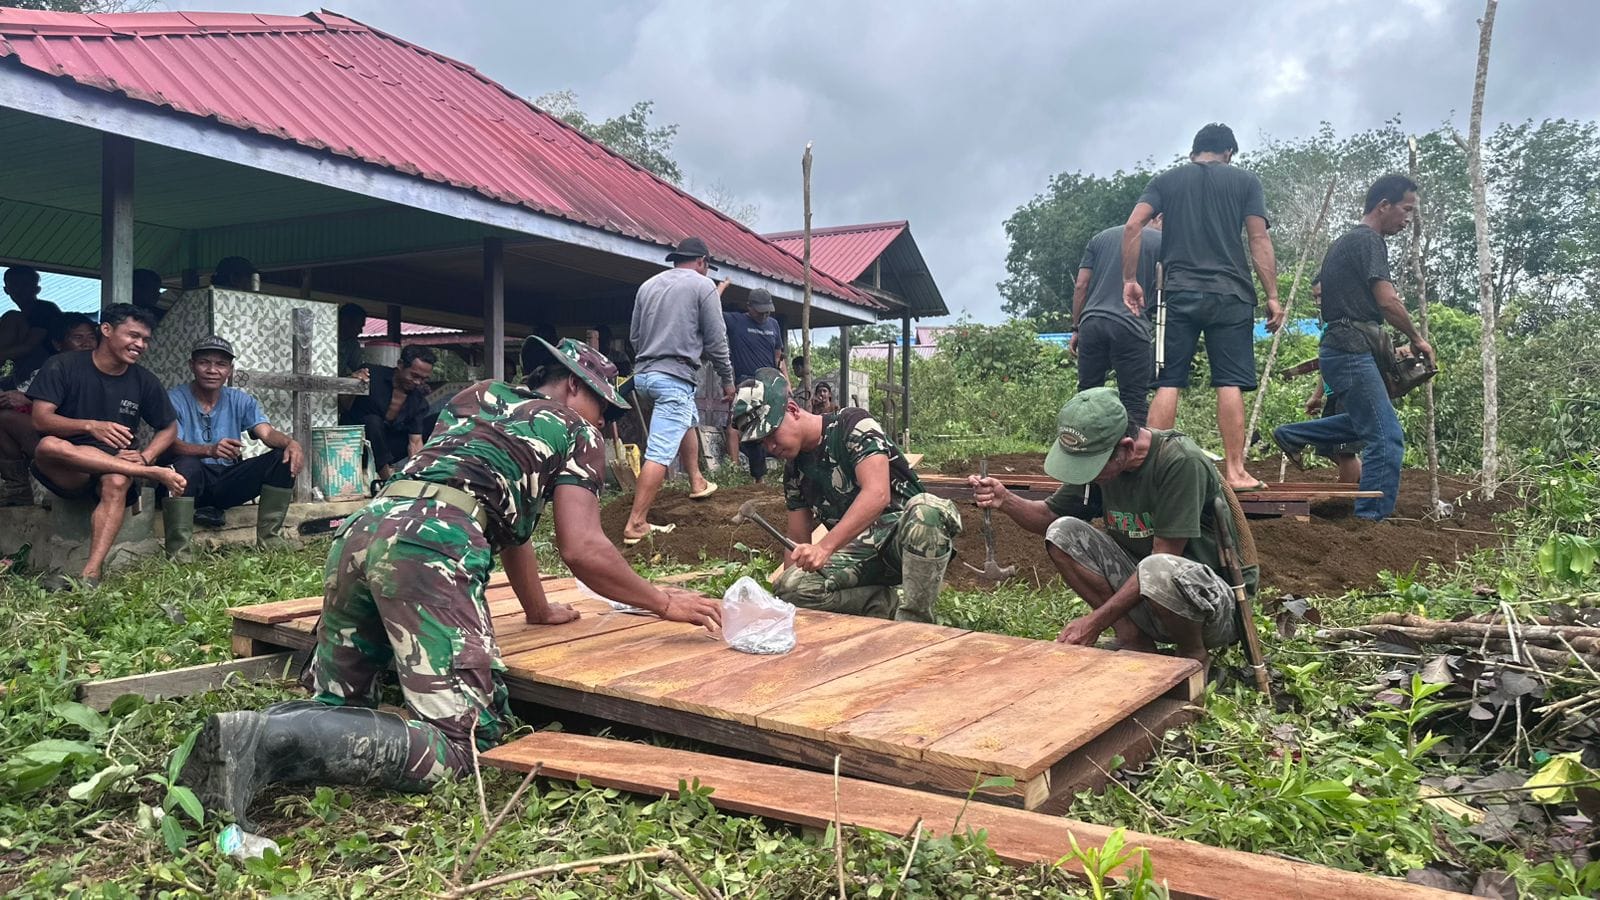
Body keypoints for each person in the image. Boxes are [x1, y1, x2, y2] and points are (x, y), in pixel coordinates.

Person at [179, 336, 723, 829]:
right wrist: (662, 602)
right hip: (431, 546)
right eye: (604, 408)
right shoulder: (577, 430)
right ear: (576, 387)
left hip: (364, 529)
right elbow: (583, 548)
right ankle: (267, 738)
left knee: (342, 701)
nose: (605, 422)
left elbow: (509, 526)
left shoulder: (478, 397)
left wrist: (537, 610)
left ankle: (244, 738)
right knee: (461, 744)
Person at [976, 388, 1253, 673]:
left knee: (1157, 566)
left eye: (1093, 466)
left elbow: (1162, 560)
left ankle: (1193, 657)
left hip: (1210, 607)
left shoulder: (1179, 461)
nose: (1088, 475)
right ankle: (1134, 640)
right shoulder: (1102, 467)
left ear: (1127, 448)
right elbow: (1048, 516)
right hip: (1149, 595)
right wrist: (1005, 500)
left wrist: (1094, 622)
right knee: (1062, 532)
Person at [1120, 123, 1284, 492]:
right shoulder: (1246, 182)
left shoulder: (1167, 180)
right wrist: (1272, 295)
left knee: (1168, 380)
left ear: (1194, 152)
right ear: (1228, 153)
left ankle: (1152, 469)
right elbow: (1258, 237)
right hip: (1231, 294)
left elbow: (1132, 227)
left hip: (1178, 293)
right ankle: (1236, 472)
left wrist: (1130, 279)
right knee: (1229, 381)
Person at [731, 367, 961, 623]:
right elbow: (796, 538)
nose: (770, 447)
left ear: (793, 410)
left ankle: (916, 623)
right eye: (762, 442)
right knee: (791, 588)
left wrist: (824, 547)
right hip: (861, 555)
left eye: (771, 433)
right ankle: (883, 604)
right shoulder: (794, 472)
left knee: (926, 509)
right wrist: (786, 602)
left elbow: (877, 494)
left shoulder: (852, 424)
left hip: (907, 541)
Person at [1272, 176, 1433, 521]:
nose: (1408, 219)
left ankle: (1291, 434)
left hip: (1341, 348)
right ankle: (1370, 520)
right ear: (1384, 205)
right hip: (1350, 350)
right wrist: (1418, 339)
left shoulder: (1345, 242)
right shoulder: (1369, 240)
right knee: (1387, 438)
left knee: (1366, 423)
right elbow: (1387, 302)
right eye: (1406, 210)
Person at [26, 304, 186, 588]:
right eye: (133, 336)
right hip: (69, 467)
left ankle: (90, 575)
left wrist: (147, 456)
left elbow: (169, 427)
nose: (140, 345)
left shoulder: (144, 380)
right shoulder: (63, 365)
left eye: (145, 339)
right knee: (48, 445)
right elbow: (40, 419)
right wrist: (90, 426)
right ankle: (148, 474)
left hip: (117, 465)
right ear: (107, 329)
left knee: (118, 480)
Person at [621, 237, 734, 545]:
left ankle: (697, 481)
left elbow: (634, 337)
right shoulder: (703, 286)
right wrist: (727, 380)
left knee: (688, 418)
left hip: (644, 376)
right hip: (673, 377)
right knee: (660, 452)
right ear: (702, 262)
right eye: (707, 266)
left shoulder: (648, 286)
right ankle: (636, 522)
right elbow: (717, 341)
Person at [161, 336, 305, 559]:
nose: (212, 370)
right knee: (186, 465)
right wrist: (209, 450)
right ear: (192, 365)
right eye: (204, 362)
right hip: (190, 482)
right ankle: (180, 553)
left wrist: (291, 443)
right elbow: (170, 443)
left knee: (282, 457)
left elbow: (267, 433)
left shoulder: (240, 400)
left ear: (230, 370)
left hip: (226, 480)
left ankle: (270, 541)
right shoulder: (174, 398)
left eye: (221, 364)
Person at [1071, 215, 1163, 426]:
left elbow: (1081, 285)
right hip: (1132, 325)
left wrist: (1076, 328)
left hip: (1091, 323)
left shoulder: (1100, 238)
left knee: (1087, 395)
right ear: (1159, 217)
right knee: (1133, 400)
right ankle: (1132, 445)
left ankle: (1083, 442)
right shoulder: (1163, 243)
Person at [0, 313, 98, 504]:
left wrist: (29, 401)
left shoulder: (102, 369)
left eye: (91, 337)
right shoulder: (51, 369)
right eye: (78, 338)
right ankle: (17, 488)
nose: (86, 343)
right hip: (51, 439)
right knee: (4, 418)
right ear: (58, 345)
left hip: (86, 441)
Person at [341, 345, 437, 481]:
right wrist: (353, 384)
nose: (417, 382)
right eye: (414, 376)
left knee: (438, 420)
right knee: (373, 421)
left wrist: (416, 475)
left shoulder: (418, 401)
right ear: (400, 365)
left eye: (423, 379)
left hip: (388, 449)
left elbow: (415, 442)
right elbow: (343, 407)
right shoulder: (371, 375)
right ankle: (388, 480)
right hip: (355, 447)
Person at [723, 288, 785, 481]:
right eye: (760, 311)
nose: (764, 315)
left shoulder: (773, 325)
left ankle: (760, 477)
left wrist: (786, 382)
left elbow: (778, 356)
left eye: (767, 311)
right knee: (735, 426)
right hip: (746, 381)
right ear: (749, 306)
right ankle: (733, 473)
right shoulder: (735, 321)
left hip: (769, 383)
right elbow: (710, 309)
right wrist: (720, 288)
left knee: (761, 429)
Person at [0, 266, 63, 385]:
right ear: (6, 290)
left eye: (25, 285)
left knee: (12, 316)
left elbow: (28, 346)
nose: (20, 290)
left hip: (46, 364)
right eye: (15, 284)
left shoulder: (44, 310)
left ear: (36, 289)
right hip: (21, 366)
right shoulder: (19, 316)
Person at [336, 303, 370, 381]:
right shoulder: (327, 339)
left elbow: (359, 367)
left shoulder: (352, 344)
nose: (361, 331)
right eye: (359, 325)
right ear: (345, 321)